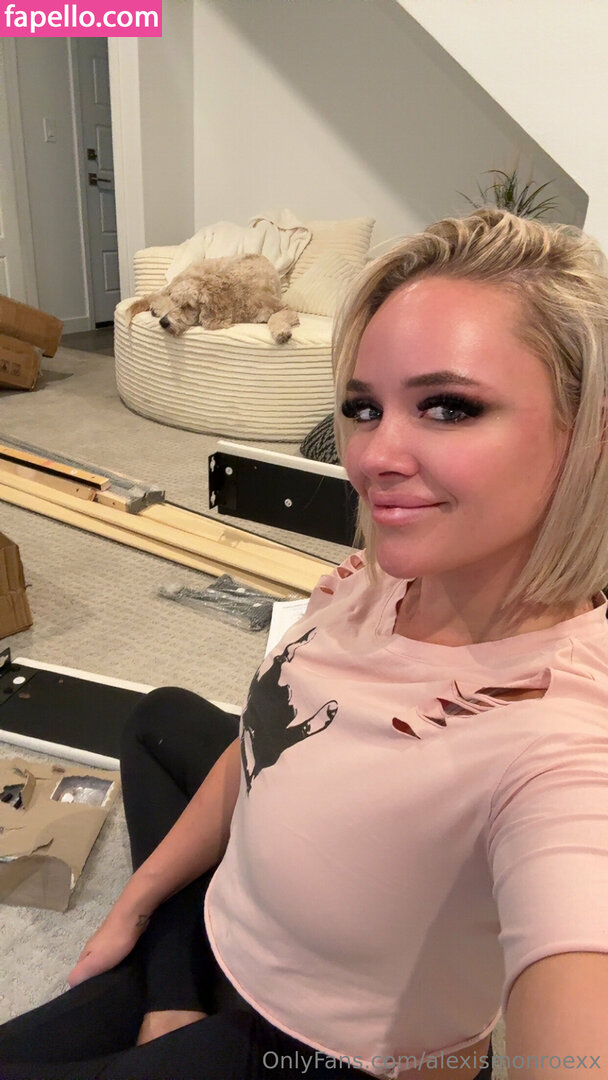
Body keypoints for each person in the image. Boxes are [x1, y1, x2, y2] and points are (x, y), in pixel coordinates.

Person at [2, 206, 608, 1079]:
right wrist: (134, 904)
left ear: (587, 434)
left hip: (317, 1054)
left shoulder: (567, 740)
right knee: (161, 718)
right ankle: (174, 977)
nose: (374, 456)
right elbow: (263, 743)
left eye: (448, 406)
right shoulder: (384, 572)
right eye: (364, 407)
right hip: (235, 941)